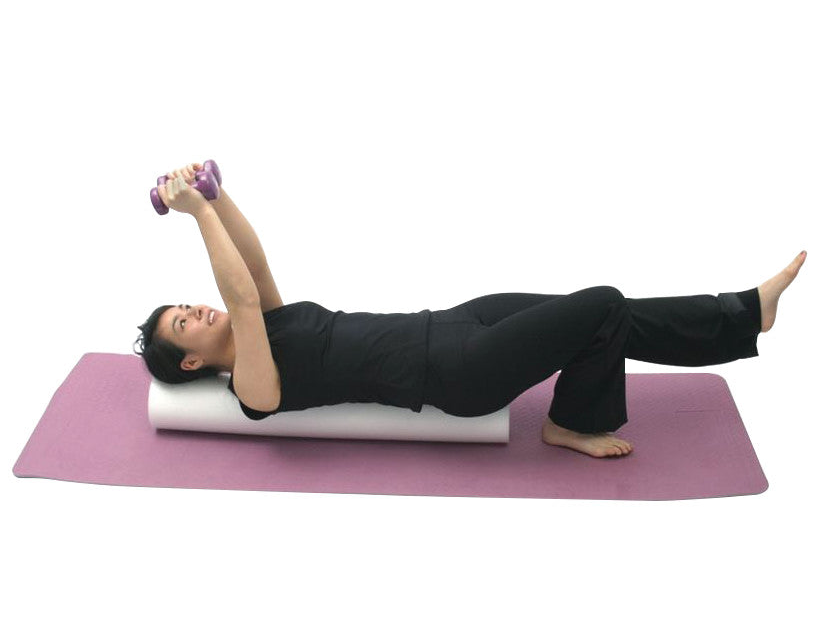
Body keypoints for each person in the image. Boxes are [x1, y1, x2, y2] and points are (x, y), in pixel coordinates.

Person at [134, 163, 808, 459]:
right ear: (190, 358)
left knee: (608, 314)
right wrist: (194, 214)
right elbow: (242, 297)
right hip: (457, 374)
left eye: (187, 305)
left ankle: (743, 312)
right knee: (600, 303)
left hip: (453, 321)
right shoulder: (254, 387)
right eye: (184, 321)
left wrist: (217, 195)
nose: (199, 307)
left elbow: (255, 269)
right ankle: (572, 423)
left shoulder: (269, 327)